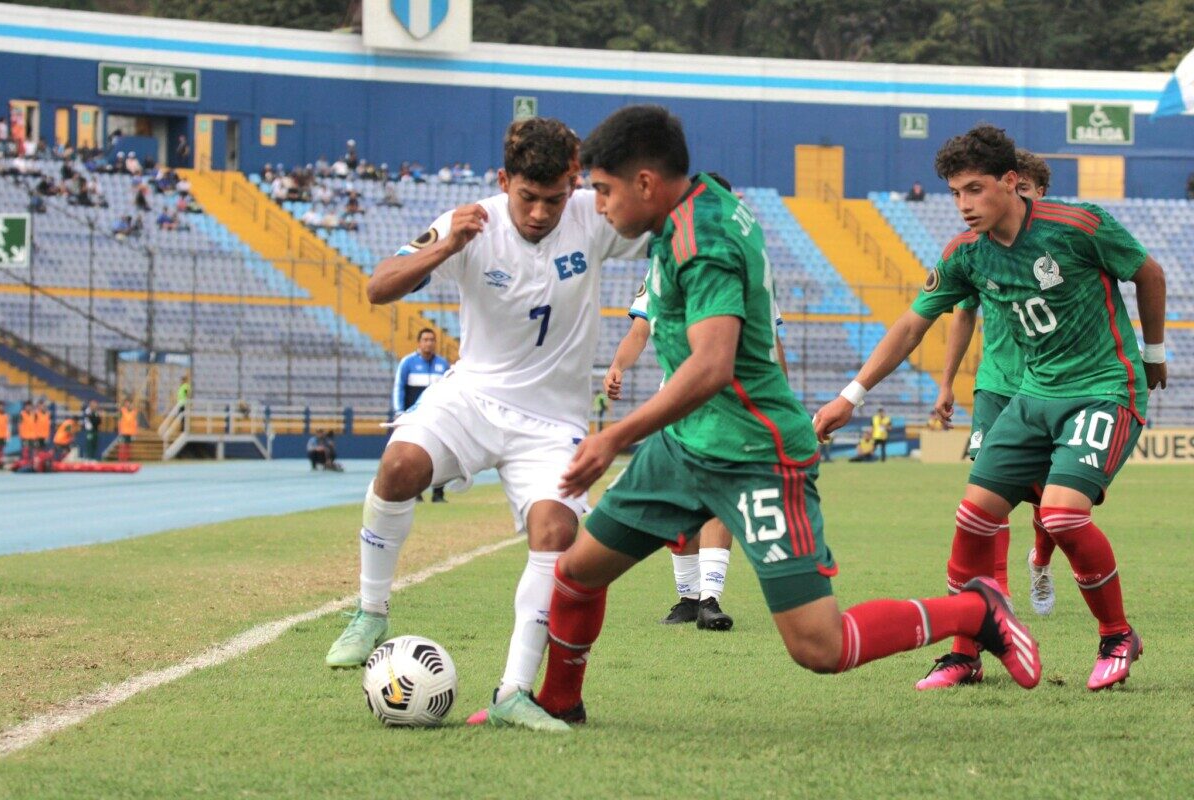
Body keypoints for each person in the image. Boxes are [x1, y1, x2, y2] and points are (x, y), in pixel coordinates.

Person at [494, 105, 1041, 733]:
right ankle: (561, 701)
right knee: (576, 572)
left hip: (755, 456)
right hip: (686, 446)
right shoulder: (695, 210)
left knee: (819, 647)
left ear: (645, 182)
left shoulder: (703, 239)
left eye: (603, 190)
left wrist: (615, 434)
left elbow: (713, 365)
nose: (598, 206)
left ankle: (973, 612)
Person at [325, 116, 650, 733]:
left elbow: (665, 224)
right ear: (504, 181)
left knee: (555, 533)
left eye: (553, 199)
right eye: (526, 198)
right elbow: (377, 287)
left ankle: (511, 693)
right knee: (399, 465)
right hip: (472, 397)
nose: (538, 213)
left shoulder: (593, 215)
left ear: (574, 183)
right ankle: (370, 613)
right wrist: (447, 246)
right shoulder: (470, 220)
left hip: (553, 423)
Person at [815, 124, 1167, 692]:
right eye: (955, 193)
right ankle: (966, 651)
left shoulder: (1078, 225)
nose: (963, 205)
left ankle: (1116, 635)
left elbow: (1148, 272)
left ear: (1011, 182)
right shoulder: (965, 254)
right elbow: (911, 325)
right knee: (974, 516)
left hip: (1104, 388)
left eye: (974, 189)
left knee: (1061, 515)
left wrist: (1153, 353)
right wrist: (849, 396)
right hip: (1031, 397)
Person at [606, 248, 790, 631]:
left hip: (731, 402)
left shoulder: (750, 269)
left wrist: (781, 401)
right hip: (675, 402)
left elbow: (771, 340)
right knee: (677, 500)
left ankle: (710, 597)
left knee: (717, 497)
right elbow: (639, 330)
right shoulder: (663, 270)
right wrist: (617, 365)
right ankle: (689, 598)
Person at [934, 148, 1054, 647]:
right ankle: (998, 596)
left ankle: (1041, 561)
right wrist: (946, 382)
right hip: (997, 386)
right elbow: (961, 313)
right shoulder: (975, 253)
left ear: (1035, 192)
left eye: (1028, 190)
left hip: (1052, 386)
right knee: (990, 498)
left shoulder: (1054, 246)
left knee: (1053, 505)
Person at [393, 328, 451, 503]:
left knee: (441, 454)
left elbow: (450, 389)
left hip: (437, 417)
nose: (429, 343)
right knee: (413, 455)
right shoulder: (407, 363)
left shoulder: (443, 364)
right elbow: (399, 387)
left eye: (432, 340)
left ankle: (438, 493)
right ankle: (414, 492)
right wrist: (399, 412)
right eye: (425, 339)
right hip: (414, 417)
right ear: (419, 342)